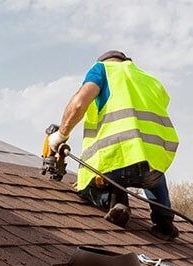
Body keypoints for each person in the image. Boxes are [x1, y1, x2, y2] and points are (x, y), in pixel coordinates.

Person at [48, 50, 180, 240]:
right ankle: (164, 222)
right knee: (152, 172)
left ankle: (116, 200)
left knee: (86, 186)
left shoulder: (102, 69)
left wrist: (61, 135)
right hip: (153, 163)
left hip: (115, 161)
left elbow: (78, 104)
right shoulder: (150, 80)